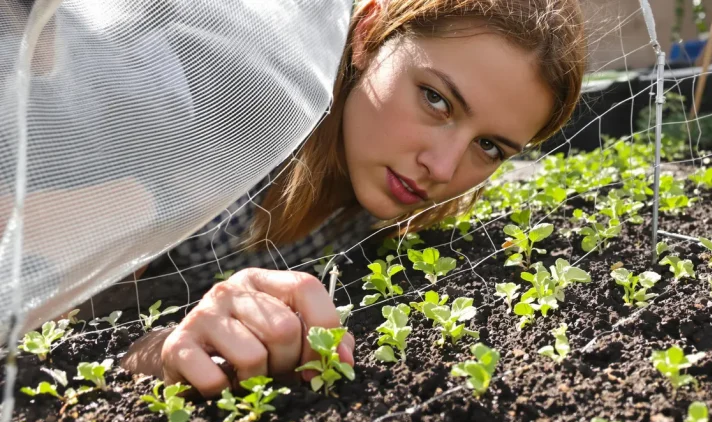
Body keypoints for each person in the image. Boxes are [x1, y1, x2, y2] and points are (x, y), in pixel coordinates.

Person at [122, 0, 586, 398]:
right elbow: (58, 316)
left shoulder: (379, 193)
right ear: (368, 33)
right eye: (436, 99)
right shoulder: (202, 126)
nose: (442, 168)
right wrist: (162, 351)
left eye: (489, 147)